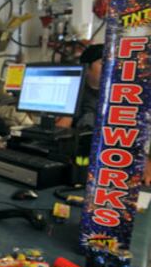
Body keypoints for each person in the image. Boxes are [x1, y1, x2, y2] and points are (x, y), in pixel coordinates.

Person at [56, 44, 151, 185]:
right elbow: (59, 132)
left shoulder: (127, 94)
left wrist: (147, 162)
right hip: (76, 165)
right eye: (103, 63)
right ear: (86, 67)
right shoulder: (71, 90)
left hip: (115, 164)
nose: (110, 68)